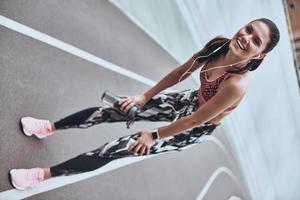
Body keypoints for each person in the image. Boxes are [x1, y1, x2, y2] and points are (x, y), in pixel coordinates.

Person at [9, 18, 280, 190]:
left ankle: (41, 176)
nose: (246, 37)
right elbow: (182, 72)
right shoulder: (218, 45)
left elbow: (197, 120)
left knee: (116, 148)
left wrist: (153, 134)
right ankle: (49, 127)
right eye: (248, 29)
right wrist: (144, 96)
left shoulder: (236, 85)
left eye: (256, 40)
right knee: (115, 110)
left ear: (262, 54)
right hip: (188, 101)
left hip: (193, 128)